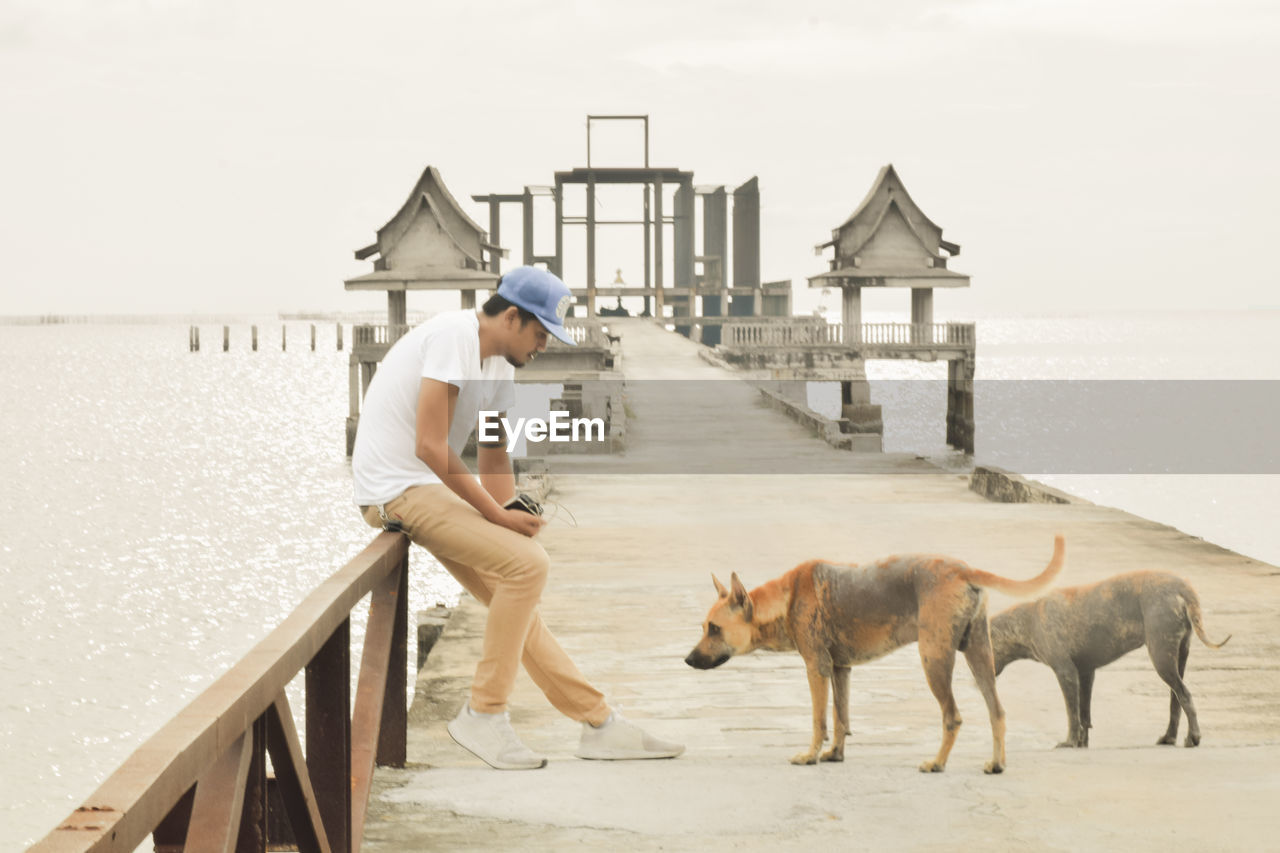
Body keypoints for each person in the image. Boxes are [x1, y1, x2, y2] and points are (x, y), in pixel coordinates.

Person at [352, 265, 683, 770]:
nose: (545, 346)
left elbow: (491, 455)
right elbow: (428, 444)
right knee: (528, 567)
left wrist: (507, 510)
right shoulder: (454, 338)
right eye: (541, 332)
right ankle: (484, 713)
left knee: (519, 593)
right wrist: (497, 520)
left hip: (425, 488)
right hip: (394, 489)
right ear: (511, 316)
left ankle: (598, 724)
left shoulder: (498, 363)